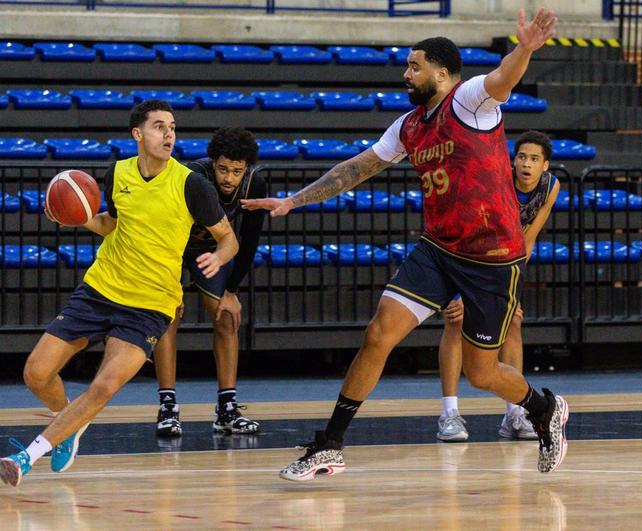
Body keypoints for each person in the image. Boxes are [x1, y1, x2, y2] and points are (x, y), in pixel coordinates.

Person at [243, 8, 568, 481]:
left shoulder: (469, 101)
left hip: (491, 257)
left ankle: (544, 407)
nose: (405, 72)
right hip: (437, 249)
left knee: (481, 374)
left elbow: (503, 78)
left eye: (414, 65)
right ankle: (330, 444)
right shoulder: (409, 125)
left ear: (440, 72)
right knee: (378, 333)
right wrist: (295, 200)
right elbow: (356, 168)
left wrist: (524, 49)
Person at [0, 100, 239, 487]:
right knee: (36, 374)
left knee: (104, 385)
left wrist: (217, 257)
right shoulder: (118, 172)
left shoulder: (192, 184)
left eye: (172, 126)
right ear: (137, 134)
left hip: (150, 304)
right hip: (101, 288)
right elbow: (112, 223)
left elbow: (229, 239)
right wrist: (77, 217)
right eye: (159, 126)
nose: (169, 134)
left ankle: (28, 456)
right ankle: (69, 428)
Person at [436, 130, 559, 443]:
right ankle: (449, 414)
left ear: (545, 166)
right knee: (455, 319)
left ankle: (515, 414)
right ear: (512, 160)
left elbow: (526, 241)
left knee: (513, 321)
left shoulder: (550, 187)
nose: (526, 164)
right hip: (461, 250)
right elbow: (473, 231)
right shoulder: (496, 181)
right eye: (521, 157)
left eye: (534, 159)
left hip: (503, 263)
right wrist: (465, 290)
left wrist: (511, 291)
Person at [154, 127, 264, 437]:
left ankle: (227, 410)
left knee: (227, 317)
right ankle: (167, 407)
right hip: (171, 247)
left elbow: (249, 241)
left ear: (247, 170)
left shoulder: (254, 183)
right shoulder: (191, 177)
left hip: (211, 250)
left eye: (237, 171)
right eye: (224, 169)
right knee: (168, 316)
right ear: (212, 162)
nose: (229, 177)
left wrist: (231, 291)